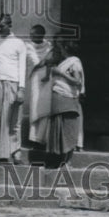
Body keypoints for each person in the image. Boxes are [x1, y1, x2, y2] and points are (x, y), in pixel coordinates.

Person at [0, 14, 26, 163]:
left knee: (11, 118)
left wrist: (21, 88)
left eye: (1, 26)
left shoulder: (19, 43)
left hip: (13, 83)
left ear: (9, 25)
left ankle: (14, 150)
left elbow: (22, 67)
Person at [44, 40, 85, 168]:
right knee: (59, 129)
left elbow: (77, 81)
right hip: (58, 97)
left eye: (61, 48)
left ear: (66, 49)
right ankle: (60, 161)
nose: (59, 51)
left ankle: (67, 161)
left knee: (69, 130)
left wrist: (60, 73)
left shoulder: (74, 62)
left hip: (67, 98)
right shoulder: (61, 62)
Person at [25, 24, 55, 149]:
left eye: (34, 34)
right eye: (31, 34)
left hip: (48, 78)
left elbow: (51, 61)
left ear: (41, 35)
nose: (31, 37)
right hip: (36, 78)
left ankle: (44, 138)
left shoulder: (48, 46)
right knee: (36, 106)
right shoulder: (28, 46)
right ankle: (34, 138)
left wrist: (47, 61)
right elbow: (36, 62)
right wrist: (46, 60)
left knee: (46, 108)